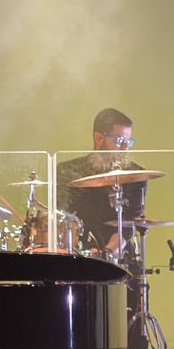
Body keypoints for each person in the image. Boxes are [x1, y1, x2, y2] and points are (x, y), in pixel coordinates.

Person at [58, 107, 149, 258]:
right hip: (77, 253)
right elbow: (63, 218)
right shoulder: (68, 171)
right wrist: (84, 251)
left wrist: (107, 253)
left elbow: (129, 224)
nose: (125, 148)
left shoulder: (136, 175)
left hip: (119, 253)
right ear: (99, 138)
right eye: (120, 141)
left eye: (129, 142)